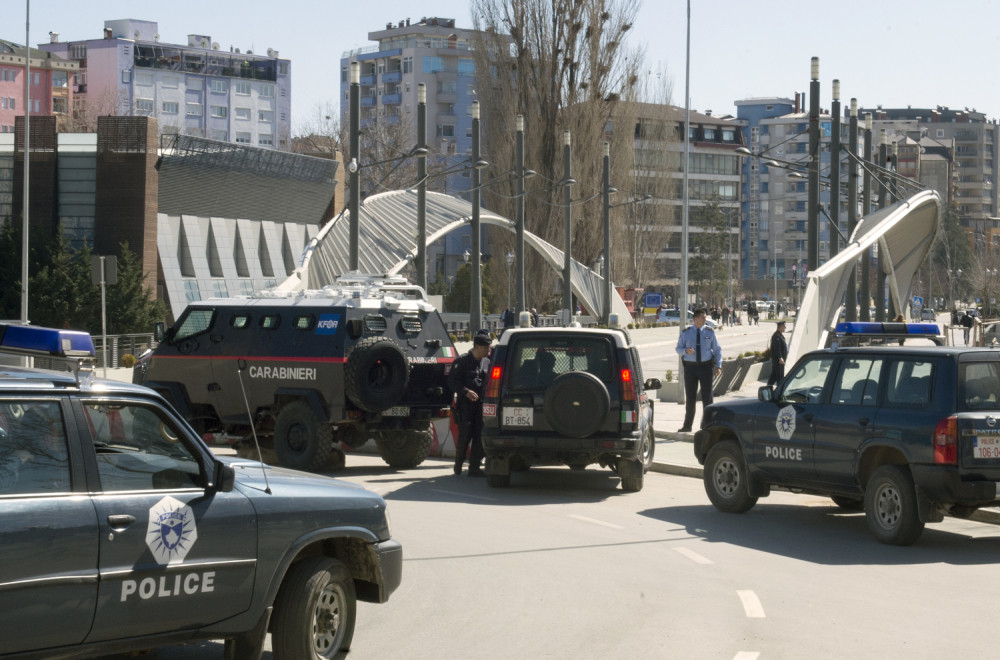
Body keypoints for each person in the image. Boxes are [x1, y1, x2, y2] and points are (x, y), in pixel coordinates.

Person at [447, 331, 492, 476]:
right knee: (465, 436)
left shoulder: (487, 361)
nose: (489, 350)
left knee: (479, 436)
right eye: (486, 347)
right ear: (478, 347)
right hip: (466, 406)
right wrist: (465, 391)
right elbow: (452, 382)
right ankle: (458, 464)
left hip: (480, 406)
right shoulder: (462, 361)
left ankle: (474, 467)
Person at [675, 308, 723, 433]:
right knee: (690, 399)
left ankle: (707, 425)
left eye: (705, 317)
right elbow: (678, 348)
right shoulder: (686, 332)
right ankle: (687, 425)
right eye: (703, 317)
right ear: (695, 319)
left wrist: (718, 366)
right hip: (690, 368)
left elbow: (717, 350)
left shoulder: (709, 332)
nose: (705, 319)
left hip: (706, 368)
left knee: (707, 398)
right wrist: (686, 350)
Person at [768, 321, 788, 386]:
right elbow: (777, 348)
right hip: (778, 361)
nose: (785, 327)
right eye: (784, 326)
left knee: (774, 376)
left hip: (779, 361)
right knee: (780, 377)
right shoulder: (776, 336)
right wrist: (780, 357)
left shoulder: (779, 335)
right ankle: (778, 392)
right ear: (780, 327)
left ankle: (768, 388)